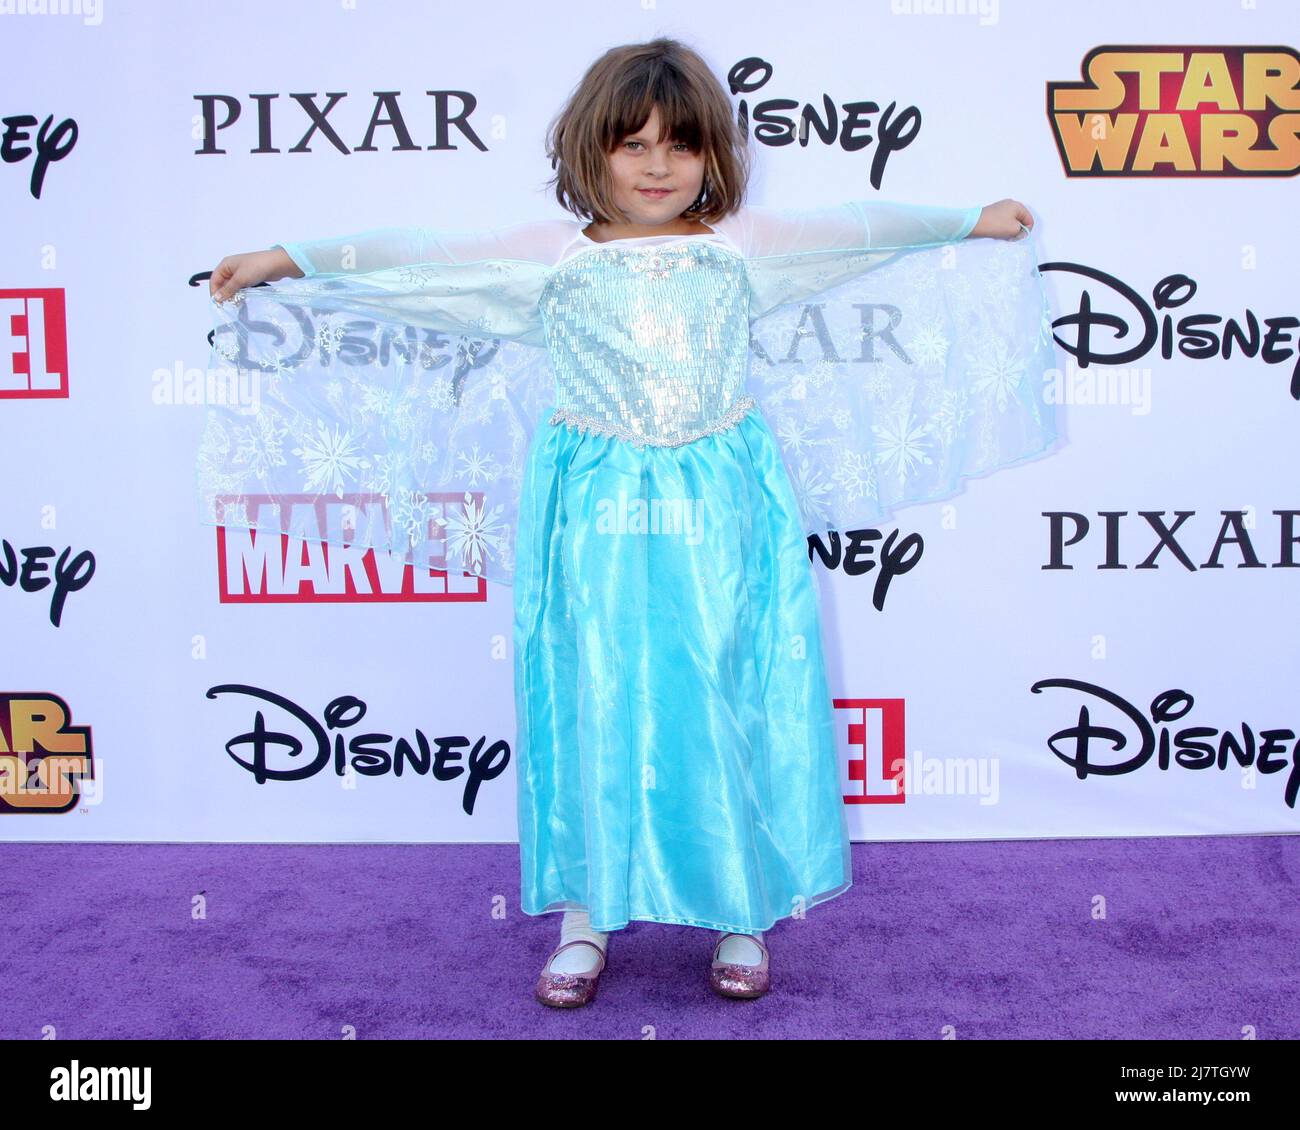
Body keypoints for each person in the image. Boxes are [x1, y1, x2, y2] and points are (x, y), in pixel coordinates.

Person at [203, 37, 1053, 1008]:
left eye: (681, 146)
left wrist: (967, 220)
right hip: (595, 511)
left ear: (713, 156)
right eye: (632, 143)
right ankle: (586, 915)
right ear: (589, 149)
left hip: (722, 505)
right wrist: (290, 257)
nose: (657, 165)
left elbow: (858, 225)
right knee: (591, 693)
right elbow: (420, 259)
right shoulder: (550, 260)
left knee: (730, 686)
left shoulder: (739, 247)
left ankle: (740, 907)